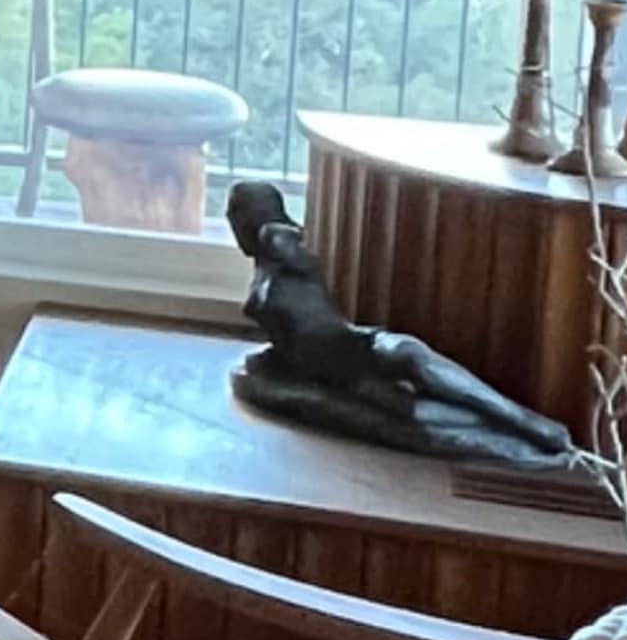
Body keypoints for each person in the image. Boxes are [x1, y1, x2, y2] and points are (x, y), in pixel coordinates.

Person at [224, 180, 586, 473]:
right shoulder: (266, 274)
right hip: (343, 376)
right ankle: (530, 454)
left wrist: (274, 227)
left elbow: (282, 240)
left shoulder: (280, 245)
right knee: (423, 421)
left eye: (235, 216)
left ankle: (535, 426)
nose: (233, 227)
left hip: (361, 344)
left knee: (420, 365)